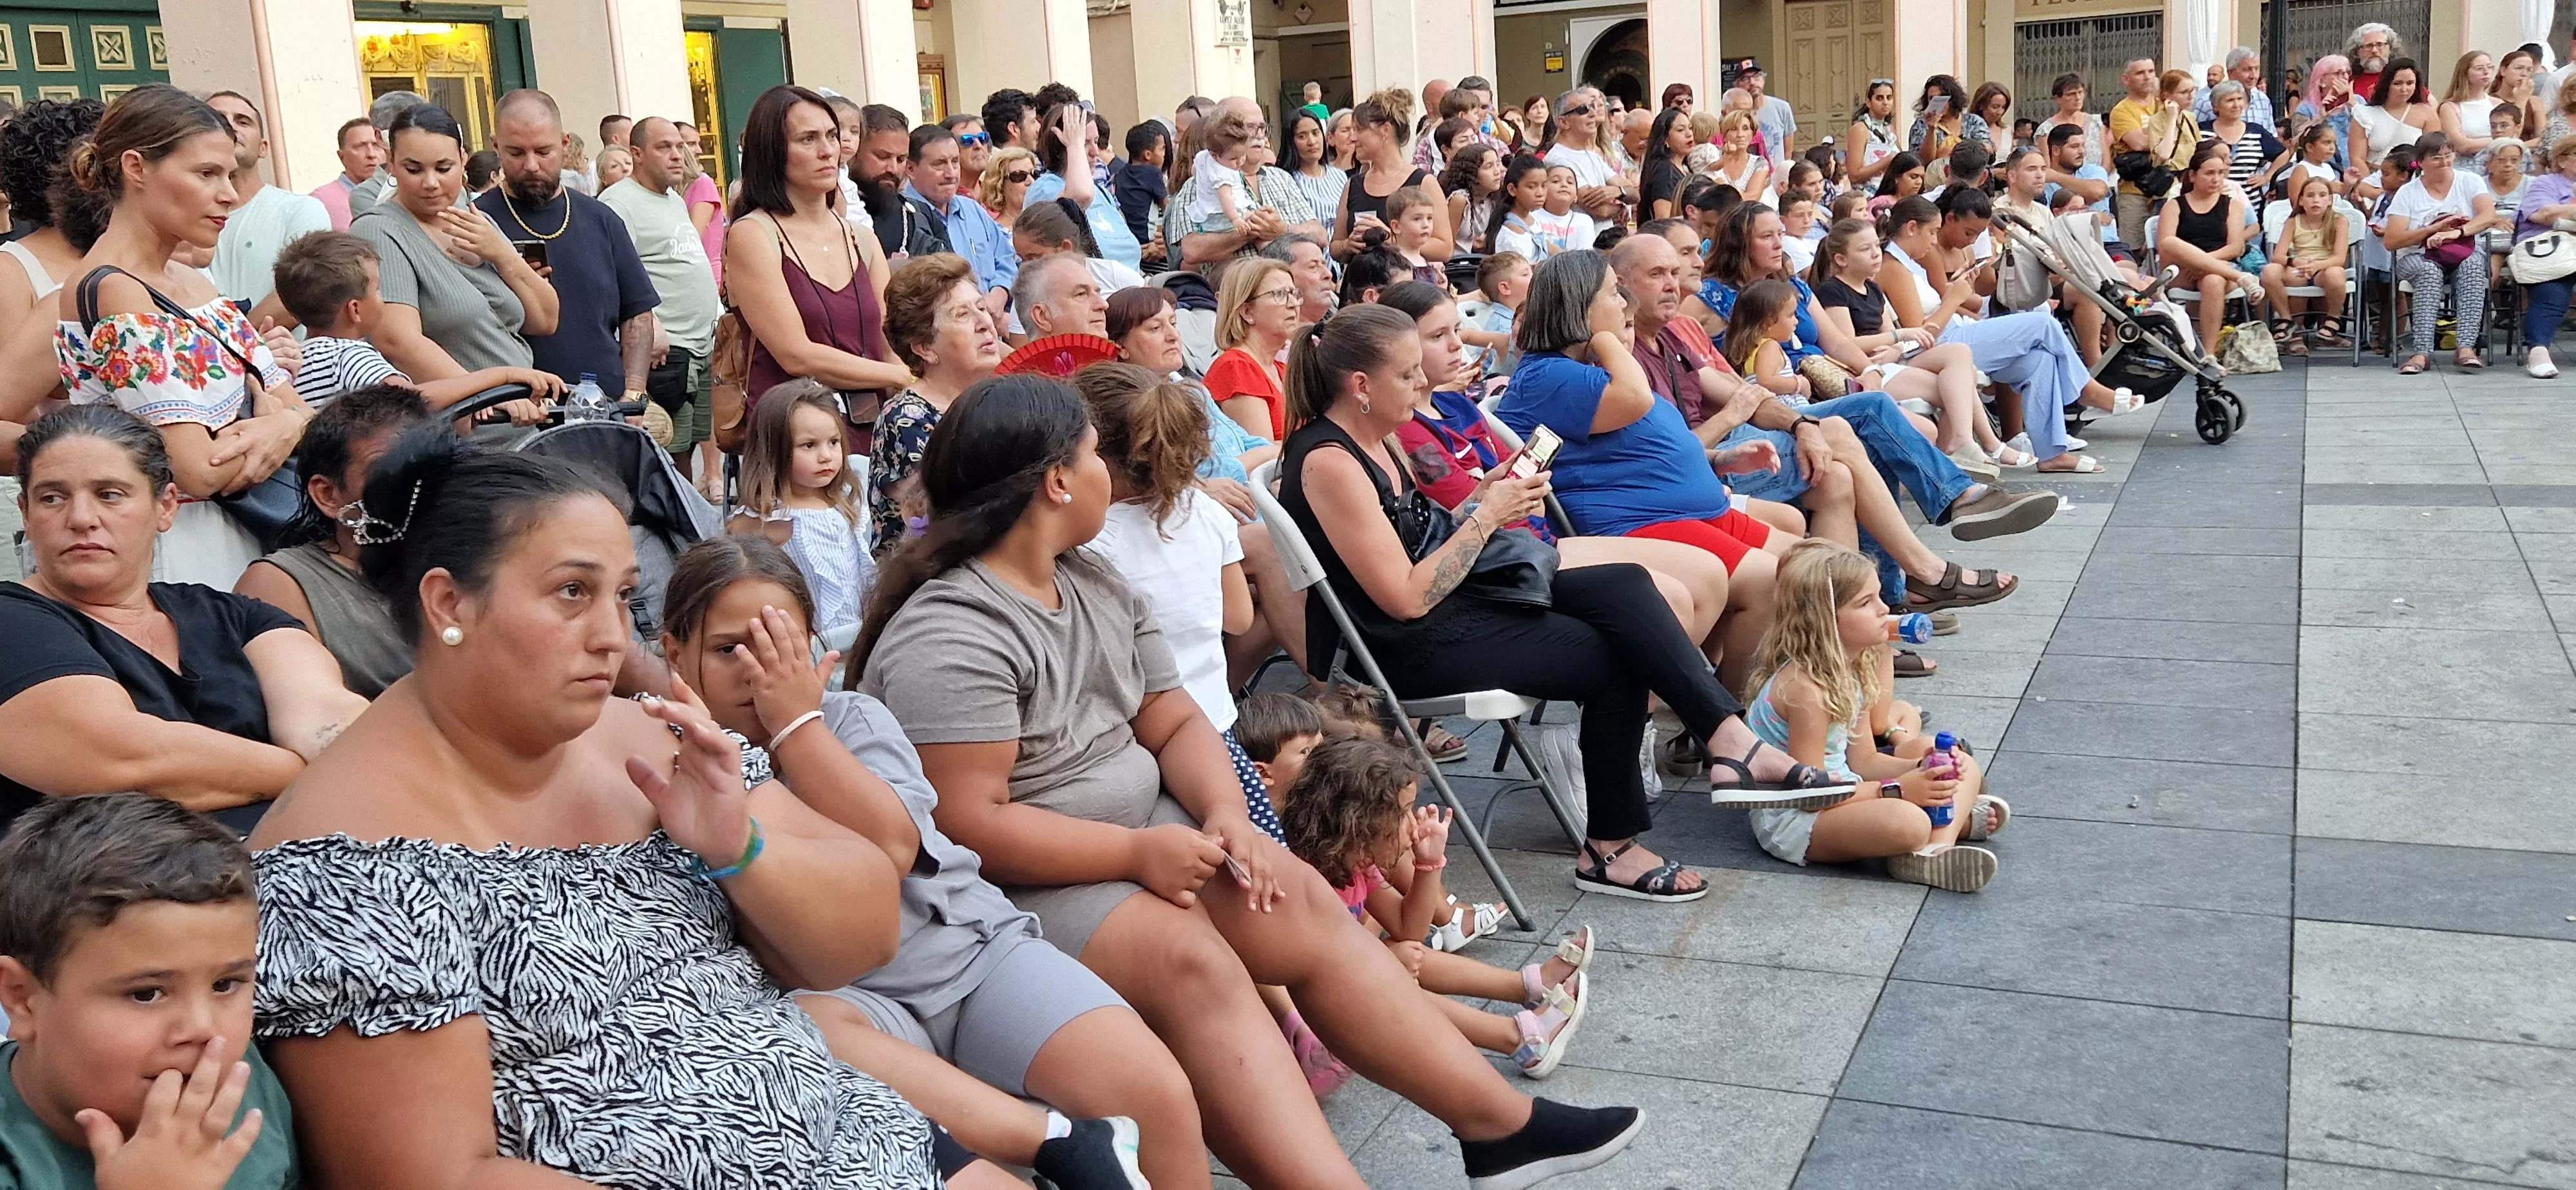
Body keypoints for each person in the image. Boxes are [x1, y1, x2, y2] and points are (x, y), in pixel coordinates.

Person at [856, 372, 1647, 1188]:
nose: (1111, 477)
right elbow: (969, 824)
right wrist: (1135, 856)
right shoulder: (953, 630)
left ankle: (1499, 1127)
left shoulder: (1088, 578)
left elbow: (1171, 719)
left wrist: (1228, 812)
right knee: (1190, 962)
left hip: (1146, 832)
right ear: (1057, 482)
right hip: (1016, 883)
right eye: (1096, 458)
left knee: (1296, 897)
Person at [245, 427, 969, 1189]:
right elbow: (439, 1175)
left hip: (865, 1140)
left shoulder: (651, 739)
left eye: (623, 595)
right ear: (448, 600)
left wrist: (741, 847)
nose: (613, 637)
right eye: (571, 593)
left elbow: (864, 939)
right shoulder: (343, 869)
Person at [649, 538, 1184, 1190]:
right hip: (847, 1002)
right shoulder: (663, 771)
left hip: (970, 956)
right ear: (675, 654)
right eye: (729, 649)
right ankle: (1045, 1146)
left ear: (816, 649)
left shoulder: (849, 721)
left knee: (1149, 1088)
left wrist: (797, 728)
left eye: (779, 645)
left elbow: (893, 846)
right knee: (827, 1042)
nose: (758, 670)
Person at [0, 406, 367, 834]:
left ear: (165, 507)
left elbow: (328, 717)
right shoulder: (12, 621)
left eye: (110, 494)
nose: (82, 518)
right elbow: (127, 760)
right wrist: (306, 771)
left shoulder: (239, 617)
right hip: (101, 892)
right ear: (26, 514)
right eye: (52, 498)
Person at [47, 86, 307, 587]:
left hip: (249, 535)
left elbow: (299, 408)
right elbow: (200, 471)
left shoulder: (195, 282)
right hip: (185, 553)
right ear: (136, 168)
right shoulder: (113, 290)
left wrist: (284, 423)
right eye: (206, 173)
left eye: (230, 174)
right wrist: (279, 422)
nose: (229, 193)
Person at [0, 794, 301, 1184]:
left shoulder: (240, 1085)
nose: (203, 1028)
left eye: (225, 985)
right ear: (22, 1000)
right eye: (146, 994)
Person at [1276, 736, 1593, 1075]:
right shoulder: (1308, 880)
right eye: (1402, 813)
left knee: (1407, 952)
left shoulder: (1357, 864)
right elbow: (1314, 973)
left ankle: (1528, 986)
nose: (1412, 824)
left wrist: (1429, 864)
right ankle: (1518, 1039)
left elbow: (1409, 928)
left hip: (1337, 983)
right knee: (1391, 973)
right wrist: (1383, 962)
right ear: (1358, 821)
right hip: (1307, 1011)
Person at [1074, 363, 1278, 843]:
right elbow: (1239, 618)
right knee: (1258, 844)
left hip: (1138, 734)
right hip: (1216, 722)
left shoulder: (1093, 542)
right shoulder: (1209, 512)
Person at [1740, 540, 2002, 891]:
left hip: (1846, 790)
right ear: (1825, 621)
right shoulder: (1807, 691)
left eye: (1880, 597)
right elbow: (1807, 796)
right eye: (1866, 603)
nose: (1884, 610)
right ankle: (1938, 831)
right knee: (1908, 822)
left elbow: (1863, 760)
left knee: (1958, 764)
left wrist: (1922, 769)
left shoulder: (1848, 668)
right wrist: (1896, 789)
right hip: (1797, 819)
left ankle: (1933, 851)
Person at [727, 85, 910, 444]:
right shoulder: (753, 234)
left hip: (869, 428)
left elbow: (888, 339)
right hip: (795, 437)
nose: (828, 151)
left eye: (831, 135)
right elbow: (796, 354)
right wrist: (900, 377)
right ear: (772, 152)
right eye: (808, 139)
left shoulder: (862, 238)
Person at [351, 103, 561, 411]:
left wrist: (504, 255)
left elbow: (545, 320)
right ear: (391, 164)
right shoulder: (380, 229)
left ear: (463, 162)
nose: (431, 183)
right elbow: (397, 342)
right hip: (460, 425)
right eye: (414, 169)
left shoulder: (476, 220)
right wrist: (490, 396)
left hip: (521, 415)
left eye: (443, 168)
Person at [231, 384, 422, 700]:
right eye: (389, 473)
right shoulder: (282, 584)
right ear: (328, 495)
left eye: (427, 469)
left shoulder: (470, 554)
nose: (416, 487)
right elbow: (308, 714)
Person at [477, 90, 659, 398]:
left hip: (604, 406)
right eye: (516, 153)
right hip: (513, 411)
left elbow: (637, 313)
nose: (532, 165)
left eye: (543, 151)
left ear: (564, 144)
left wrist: (634, 393)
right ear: (496, 147)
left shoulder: (601, 219)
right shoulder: (478, 223)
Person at [1810, 217, 2027, 470]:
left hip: (1889, 360)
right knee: (1959, 384)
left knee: (1959, 356)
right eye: (1864, 249)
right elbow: (1848, 344)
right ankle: (1972, 448)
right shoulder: (1832, 291)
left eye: (1876, 247)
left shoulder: (1872, 289)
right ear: (1841, 259)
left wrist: (1896, 347)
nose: (1875, 254)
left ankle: (1960, 448)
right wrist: (1899, 338)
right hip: (1864, 370)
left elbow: (1889, 333)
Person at [266, 231, 564, 414]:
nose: (382, 297)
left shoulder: (297, 362)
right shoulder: (349, 357)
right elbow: (410, 402)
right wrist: (502, 376)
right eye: (378, 289)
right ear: (355, 310)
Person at [602, 116, 724, 482]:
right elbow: (614, 278)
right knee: (670, 456)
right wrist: (650, 324)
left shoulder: (672, 197)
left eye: (680, 146)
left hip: (700, 345)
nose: (678, 155)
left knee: (690, 446)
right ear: (636, 154)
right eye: (664, 147)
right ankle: (678, 534)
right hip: (667, 352)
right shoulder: (619, 203)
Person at [728, 380, 878, 657]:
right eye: (809, 446)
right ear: (774, 449)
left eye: (833, 443)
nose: (826, 456)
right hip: (804, 649)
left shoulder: (842, 501)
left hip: (854, 639)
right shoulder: (767, 521)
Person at [871, 254, 1003, 557]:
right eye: (962, 315)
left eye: (981, 308)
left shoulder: (997, 398)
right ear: (924, 348)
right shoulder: (905, 419)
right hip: (932, 580)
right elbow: (944, 522)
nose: (985, 323)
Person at [2385, 131, 2505, 373]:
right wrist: (2434, 229)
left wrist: (2456, 234)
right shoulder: (2408, 193)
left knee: (2472, 265)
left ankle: (2466, 347)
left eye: (2448, 156)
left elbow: (2488, 216)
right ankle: (2422, 352)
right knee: (2429, 272)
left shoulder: (2469, 181)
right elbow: (2393, 241)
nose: (2445, 162)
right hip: (2417, 255)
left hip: (2462, 250)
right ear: (2421, 163)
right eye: (2437, 158)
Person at [201, 93, 328, 310]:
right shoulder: (175, 216)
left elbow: (305, 292)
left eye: (243, 121)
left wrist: (238, 342)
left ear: (263, 147)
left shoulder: (299, 210)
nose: (231, 126)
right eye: (218, 119)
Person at [2157, 142, 2261, 350]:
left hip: (2221, 269)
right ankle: (2242, 279)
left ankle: (2209, 354)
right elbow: (2165, 246)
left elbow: (2235, 248)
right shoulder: (2174, 205)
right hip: (2182, 270)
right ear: (2193, 176)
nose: (2216, 179)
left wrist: (2204, 264)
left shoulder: (2233, 205)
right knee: (2170, 242)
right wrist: (2193, 263)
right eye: (2209, 173)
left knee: (2214, 280)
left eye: (2221, 173)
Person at [1027, 102, 1142, 272]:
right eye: (1085, 143)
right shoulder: (1044, 188)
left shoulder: (1100, 191)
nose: (1095, 152)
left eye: (1096, 141)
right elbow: (1078, 199)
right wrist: (1074, 145)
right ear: (1061, 147)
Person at [1201, 256, 1298, 440]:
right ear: (1247, 312)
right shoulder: (1236, 368)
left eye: (1294, 293)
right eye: (1280, 294)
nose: (1293, 303)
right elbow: (1264, 459)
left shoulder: (1282, 370)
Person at [1336, 92, 1439, 259]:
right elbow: (1336, 245)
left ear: (1385, 130)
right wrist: (1347, 245)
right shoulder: (1353, 185)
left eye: (1360, 129)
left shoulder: (1423, 182)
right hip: (1361, 281)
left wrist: (1391, 239)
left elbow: (1444, 248)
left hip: (1405, 282)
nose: (1353, 138)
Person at [2260, 175, 2353, 354]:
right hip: (2299, 268)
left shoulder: (2339, 221)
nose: (2316, 200)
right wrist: (2295, 262)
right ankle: (2288, 323)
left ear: (2330, 200)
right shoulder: (2293, 221)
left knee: (2335, 273)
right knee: (2270, 271)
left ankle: (2333, 319)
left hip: (2324, 269)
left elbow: (2339, 258)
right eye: (2310, 196)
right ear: (2301, 200)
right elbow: (2278, 255)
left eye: (2322, 195)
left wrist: (2317, 265)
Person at [2201, 81, 2288, 220]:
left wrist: (2267, 177)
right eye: (2230, 100)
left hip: (2249, 211)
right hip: (2208, 208)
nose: (2236, 105)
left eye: (2240, 99)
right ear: (2216, 105)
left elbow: (2283, 154)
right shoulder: (2201, 131)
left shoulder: (2256, 131)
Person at [2107, 57, 2169, 248]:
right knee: (2132, 248)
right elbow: (2139, 143)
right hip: (2135, 192)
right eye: (2140, 73)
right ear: (2126, 79)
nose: (2147, 77)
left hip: (2167, 189)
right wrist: (2167, 134)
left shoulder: (2165, 104)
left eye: (2151, 71)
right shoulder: (2122, 111)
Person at [1542, 87, 1625, 222]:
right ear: (1563, 122)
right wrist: (1621, 207)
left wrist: (1619, 191)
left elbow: (1634, 191)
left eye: (1593, 107)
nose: (1593, 113)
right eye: (1583, 109)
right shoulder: (1558, 160)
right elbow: (1601, 211)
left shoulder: (1591, 155)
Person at [2353, 58, 2439, 171]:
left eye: (2410, 83)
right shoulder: (2364, 114)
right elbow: (2357, 158)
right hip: (2373, 177)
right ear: (2387, 84)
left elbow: (2433, 155)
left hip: (2412, 180)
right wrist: (2368, 185)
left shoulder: (2427, 114)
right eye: (2397, 84)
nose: (2404, 89)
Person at [1281, 109, 1347, 238]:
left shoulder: (1340, 176)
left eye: (1315, 133)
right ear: (1291, 141)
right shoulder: (1288, 181)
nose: (1312, 142)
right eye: (1302, 136)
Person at [310, 116, 382, 231]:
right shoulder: (321, 201)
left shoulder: (398, 195)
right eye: (360, 147)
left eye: (376, 145)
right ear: (341, 157)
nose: (371, 154)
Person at [1443, 144, 1507, 254]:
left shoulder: (1490, 200)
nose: (1497, 172)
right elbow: (1448, 242)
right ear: (1471, 173)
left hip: (1471, 261)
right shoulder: (1460, 200)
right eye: (1489, 167)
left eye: (1497, 164)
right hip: (1454, 265)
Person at [2439, 51, 2504, 160]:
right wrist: (2499, 141)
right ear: (2465, 73)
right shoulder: (2449, 107)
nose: (2486, 72)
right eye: (2479, 68)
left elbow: (2512, 136)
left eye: (2490, 67)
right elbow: (2461, 145)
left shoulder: (2498, 103)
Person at [1736, 61, 1797, 167]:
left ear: (1763, 79)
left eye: (1756, 77)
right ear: (1737, 85)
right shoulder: (1732, 113)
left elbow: (1788, 152)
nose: (1752, 82)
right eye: (1745, 79)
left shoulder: (1782, 108)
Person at [1846, 80, 1903, 189]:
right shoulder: (1860, 129)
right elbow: (1854, 175)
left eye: (1889, 98)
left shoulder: (1889, 128)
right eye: (1879, 98)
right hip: (1867, 192)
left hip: (1890, 189)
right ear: (1869, 102)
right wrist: (1888, 160)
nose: (1885, 102)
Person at [2349, 23, 2402, 100]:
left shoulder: (2403, 79)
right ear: (2358, 51)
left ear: (2390, 49)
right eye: (2368, 46)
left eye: (2380, 45)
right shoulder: (2349, 81)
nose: (2374, 51)